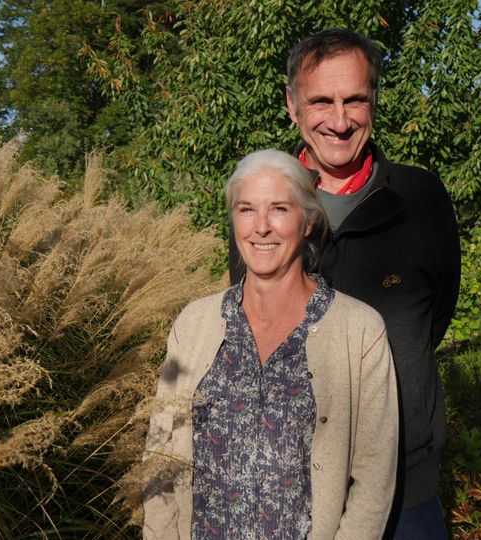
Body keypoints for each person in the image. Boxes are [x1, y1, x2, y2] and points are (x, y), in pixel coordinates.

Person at [229, 29, 461, 539]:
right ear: (292, 105)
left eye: (355, 99)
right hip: (292, 486)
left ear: (374, 101)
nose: (339, 121)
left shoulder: (421, 200)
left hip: (408, 493)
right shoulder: (262, 210)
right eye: (321, 101)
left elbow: (434, 316)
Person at [144, 149, 398, 539]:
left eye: (279, 208)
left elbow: (374, 478)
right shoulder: (194, 325)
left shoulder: (359, 331)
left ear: (309, 221)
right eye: (246, 209)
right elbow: (160, 457)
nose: (261, 227)